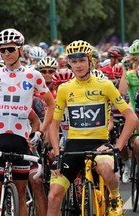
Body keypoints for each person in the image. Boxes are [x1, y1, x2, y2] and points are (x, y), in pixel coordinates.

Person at [0, 28, 55, 216]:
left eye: (10, 49)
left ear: (20, 49)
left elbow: (51, 105)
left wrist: (40, 132)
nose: (7, 53)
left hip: (21, 141)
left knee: (22, 195)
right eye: (3, 50)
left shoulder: (33, 75)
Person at [47, 40, 137, 216]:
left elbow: (131, 118)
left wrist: (117, 148)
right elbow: (54, 125)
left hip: (99, 144)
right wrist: (57, 154)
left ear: (90, 61)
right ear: (69, 63)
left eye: (82, 60)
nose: (78, 65)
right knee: (53, 197)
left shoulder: (105, 85)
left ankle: (115, 197)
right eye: (74, 61)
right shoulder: (65, 89)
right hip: (73, 146)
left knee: (105, 168)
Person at [119, 41, 139, 182]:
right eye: (135, 58)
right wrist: (124, 70)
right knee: (137, 143)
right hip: (136, 113)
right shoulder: (131, 75)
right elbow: (122, 91)